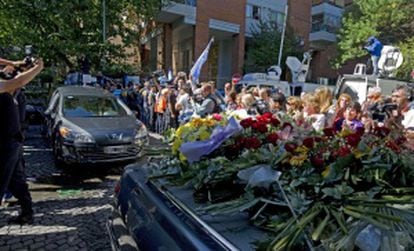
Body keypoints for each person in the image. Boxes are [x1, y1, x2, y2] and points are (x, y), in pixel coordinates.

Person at [0, 57, 43, 225]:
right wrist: (37, 68)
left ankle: (27, 212)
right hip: (3, 143)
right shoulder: (8, 86)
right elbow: (16, 83)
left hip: (13, 141)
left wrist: (16, 64)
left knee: (17, 179)